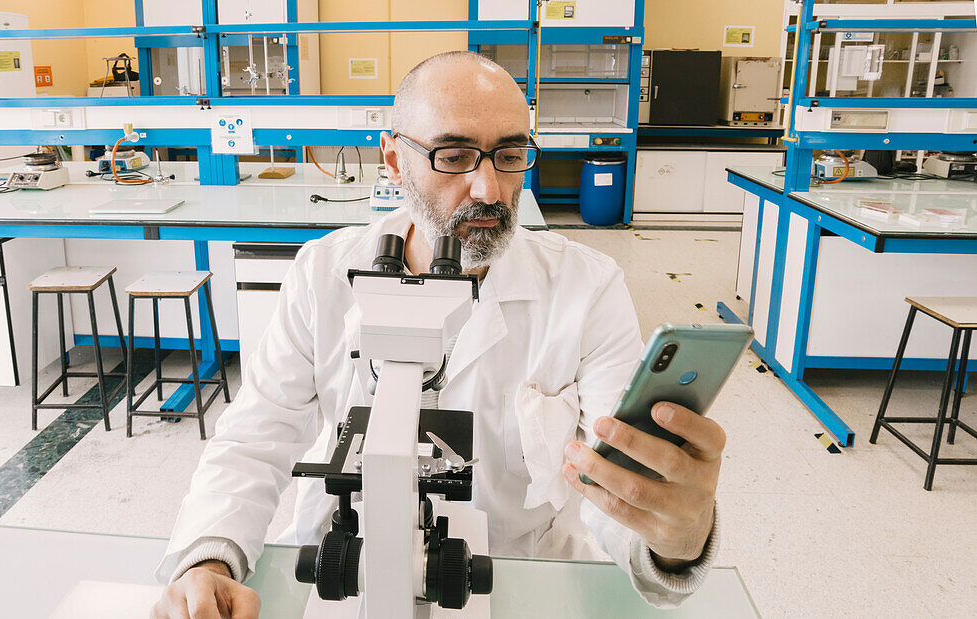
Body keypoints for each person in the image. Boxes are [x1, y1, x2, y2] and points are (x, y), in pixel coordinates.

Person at [151, 51, 725, 619]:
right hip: (345, 571)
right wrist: (209, 558)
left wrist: (674, 541)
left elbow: (617, 482)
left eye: (510, 154)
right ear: (394, 162)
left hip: (516, 573)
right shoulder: (322, 273)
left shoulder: (588, 290)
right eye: (454, 156)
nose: (489, 189)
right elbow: (256, 437)